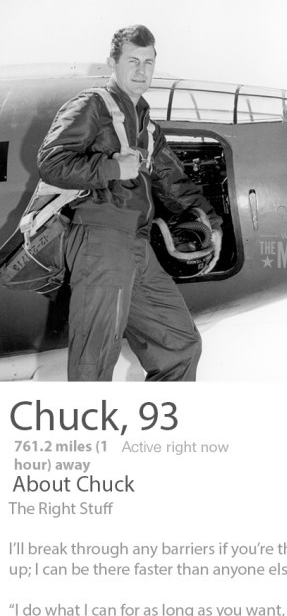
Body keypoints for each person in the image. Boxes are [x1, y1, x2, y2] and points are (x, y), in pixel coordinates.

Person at [37, 24, 222, 381]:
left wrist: (212, 224)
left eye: (148, 62)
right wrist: (111, 167)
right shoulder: (92, 105)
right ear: (113, 63)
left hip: (137, 245)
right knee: (95, 362)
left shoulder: (147, 128)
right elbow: (51, 162)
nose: (141, 70)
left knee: (180, 346)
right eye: (132, 61)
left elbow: (175, 185)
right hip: (99, 238)